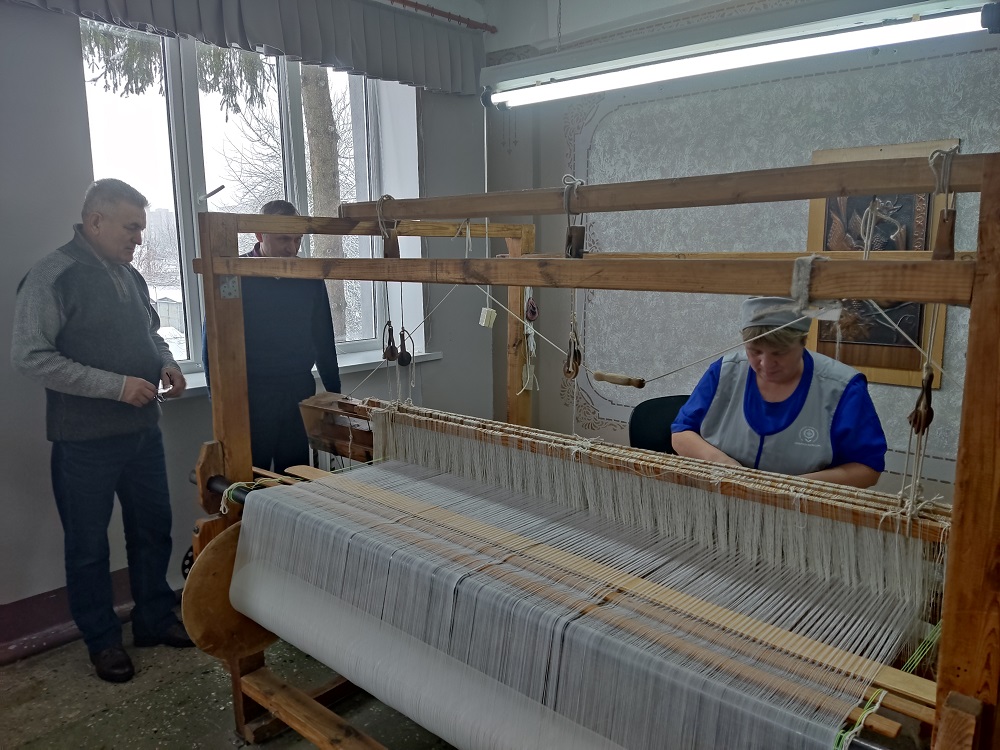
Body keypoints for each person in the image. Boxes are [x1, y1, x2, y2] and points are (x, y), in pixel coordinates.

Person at [11, 179, 193, 684]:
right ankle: (103, 640)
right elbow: (30, 357)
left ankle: (153, 618)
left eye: (141, 228)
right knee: (88, 546)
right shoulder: (52, 276)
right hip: (83, 443)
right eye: (131, 227)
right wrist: (115, 387)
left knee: (152, 529)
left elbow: (150, 332)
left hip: (142, 433)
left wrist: (167, 362)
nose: (139, 238)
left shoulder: (130, 275)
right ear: (95, 221)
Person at [671, 296, 887, 488]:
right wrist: (725, 466)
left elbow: (867, 468)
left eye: (779, 353)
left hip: (799, 512)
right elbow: (681, 433)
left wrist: (791, 488)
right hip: (723, 499)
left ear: (803, 341)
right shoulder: (724, 372)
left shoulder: (842, 388)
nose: (765, 364)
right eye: (754, 351)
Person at [202, 199, 341, 473]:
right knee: (252, 475)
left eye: (297, 240)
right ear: (259, 235)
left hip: (298, 389)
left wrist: (335, 393)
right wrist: (218, 399)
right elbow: (213, 339)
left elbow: (323, 335)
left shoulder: (309, 276)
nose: (292, 248)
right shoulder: (233, 274)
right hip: (251, 394)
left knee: (296, 473)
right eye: (283, 239)